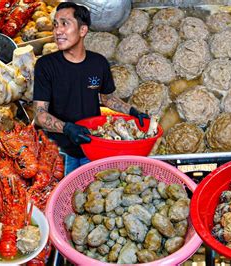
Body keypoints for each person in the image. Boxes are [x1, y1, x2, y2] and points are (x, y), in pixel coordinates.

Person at [33, 2, 148, 174]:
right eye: (55, 25)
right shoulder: (45, 65)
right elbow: (40, 114)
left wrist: (133, 112)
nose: (57, 31)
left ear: (82, 30)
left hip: (93, 146)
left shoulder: (98, 63)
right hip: (59, 153)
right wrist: (67, 128)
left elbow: (106, 98)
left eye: (65, 24)